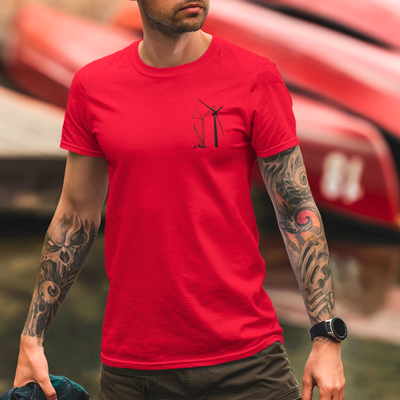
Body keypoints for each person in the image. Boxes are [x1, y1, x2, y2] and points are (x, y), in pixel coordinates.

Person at [13, 0, 346, 399]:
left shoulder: (255, 77)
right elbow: (74, 219)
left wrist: (326, 336)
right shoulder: (93, 86)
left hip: (248, 361)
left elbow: (297, 211)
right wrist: (32, 338)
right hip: (135, 372)